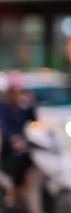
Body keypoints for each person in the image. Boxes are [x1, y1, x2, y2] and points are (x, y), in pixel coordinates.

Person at [0, 73, 39, 213]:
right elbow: (4, 127)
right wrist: (13, 139)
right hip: (10, 152)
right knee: (12, 183)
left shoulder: (22, 107)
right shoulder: (3, 108)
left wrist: (32, 101)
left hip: (24, 151)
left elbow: (33, 118)